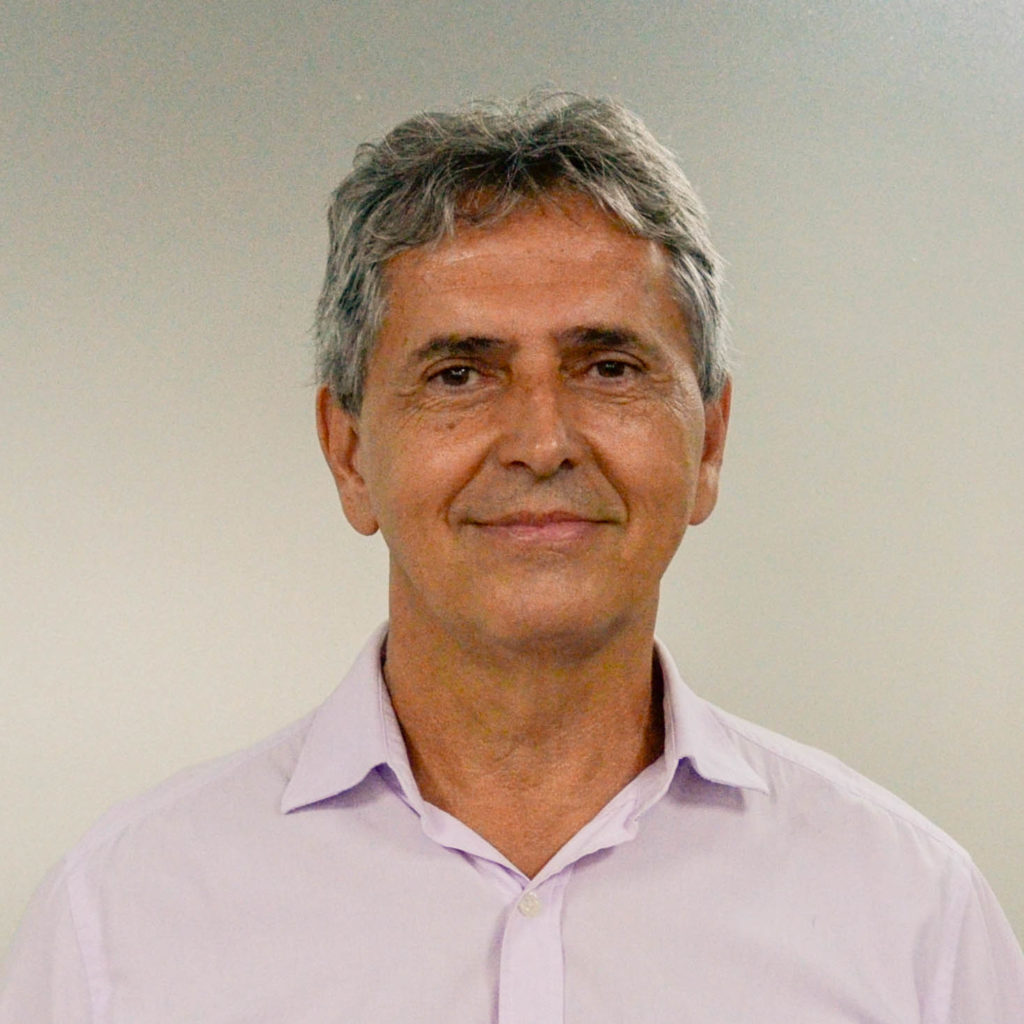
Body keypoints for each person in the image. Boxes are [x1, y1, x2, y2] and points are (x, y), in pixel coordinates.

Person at [2, 93, 1022, 1023]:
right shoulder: (120, 924)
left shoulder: (911, 916)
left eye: (608, 367)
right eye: (459, 374)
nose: (542, 441)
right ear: (348, 453)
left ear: (709, 443)